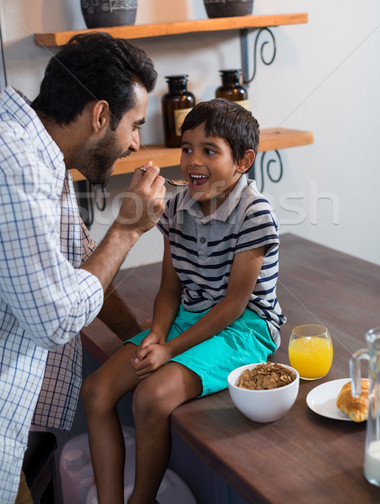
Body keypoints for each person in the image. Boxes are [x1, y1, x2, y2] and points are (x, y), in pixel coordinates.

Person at [82, 99, 285, 504]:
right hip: (189, 318)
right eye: (188, 148)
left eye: (210, 150)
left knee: (151, 397)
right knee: (96, 391)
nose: (193, 160)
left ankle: (141, 500)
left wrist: (171, 349)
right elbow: (170, 290)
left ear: (243, 160)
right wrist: (156, 334)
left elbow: (232, 305)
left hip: (244, 328)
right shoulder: (176, 207)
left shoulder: (254, 213)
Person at [0, 32, 166, 504]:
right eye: (134, 125)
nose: (136, 144)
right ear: (99, 115)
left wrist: (138, 338)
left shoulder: (42, 156)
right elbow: (55, 317)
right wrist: (128, 230)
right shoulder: (14, 163)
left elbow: (81, 263)